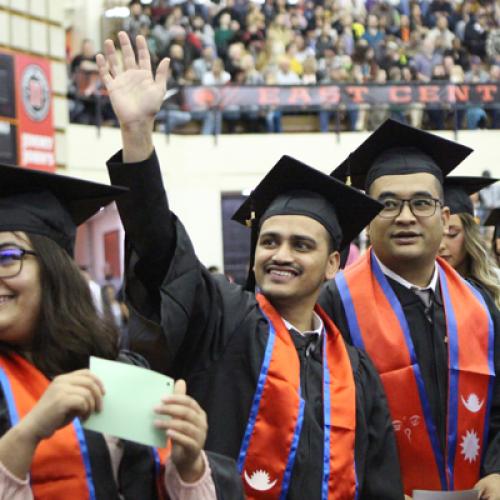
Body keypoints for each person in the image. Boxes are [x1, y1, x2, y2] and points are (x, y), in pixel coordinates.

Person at [97, 31, 404, 499]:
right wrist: (136, 134)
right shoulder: (222, 319)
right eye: (270, 241)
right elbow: (159, 248)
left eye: (301, 245)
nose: (280, 255)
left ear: (332, 264)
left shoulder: (356, 370)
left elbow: (378, 482)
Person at [0, 163, 242, 498]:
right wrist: (27, 433)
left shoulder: (116, 374)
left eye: (6, 257)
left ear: (55, 268)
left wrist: (188, 465)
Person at [321, 119, 500, 497]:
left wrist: (498, 470)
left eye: (421, 203)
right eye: (387, 204)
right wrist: (379, 489)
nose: (405, 217)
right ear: (367, 219)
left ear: (445, 218)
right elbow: (324, 423)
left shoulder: (479, 305)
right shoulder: (333, 304)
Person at [439, 176, 500, 307]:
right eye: (436, 235)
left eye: (452, 234)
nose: (441, 245)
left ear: (469, 234)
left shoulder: (495, 285)